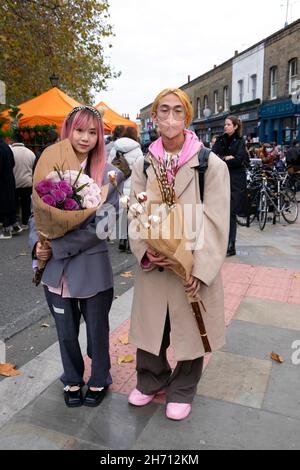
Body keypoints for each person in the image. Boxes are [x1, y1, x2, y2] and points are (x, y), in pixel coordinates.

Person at [128, 88, 230, 421]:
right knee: (151, 328)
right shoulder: (144, 164)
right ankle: (151, 379)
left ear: (186, 117)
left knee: (189, 328)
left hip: (191, 265)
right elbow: (134, 213)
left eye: (177, 112)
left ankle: (183, 387)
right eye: (163, 111)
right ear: (154, 118)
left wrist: (198, 271)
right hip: (156, 266)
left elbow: (216, 221)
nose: (170, 119)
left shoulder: (208, 164)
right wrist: (146, 251)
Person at [29, 106, 124, 408]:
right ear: (67, 131)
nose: (85, 137)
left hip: (92, 269)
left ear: (100, 136)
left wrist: (56, 247)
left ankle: (100, 378)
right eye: (79, 130)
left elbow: (105, 224)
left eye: (92, 132)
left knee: (97, 331)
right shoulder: (50, 166)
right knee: (65, 330)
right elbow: (37, 215)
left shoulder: (110, 174)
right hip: (56, 272)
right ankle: (71, 377)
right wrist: (37, 246)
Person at [212, 116, 248, 257]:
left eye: (228, 124)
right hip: (220, 178)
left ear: (235, 126)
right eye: (225, 124)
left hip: (236, 180)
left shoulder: (240, 141)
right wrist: (226, 158)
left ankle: (231, 244)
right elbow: (212, 157)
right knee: (221, 212)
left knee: (231, 212)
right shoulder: (220, 140)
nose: (225, 127)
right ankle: (221, 242)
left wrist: (226, 159)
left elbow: (239, 160)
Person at [109, 126, 143, 252]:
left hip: (119, 185)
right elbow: (139, 169)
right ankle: (130, 242)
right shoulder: (137, 150)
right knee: (132, 214)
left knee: (123, 214)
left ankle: (122, 239)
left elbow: (109, 166)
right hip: (133, 185)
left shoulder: (115, 148)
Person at [11, 131, 36, 229]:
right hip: (27, 183)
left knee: (14, 203)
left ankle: (16, 222)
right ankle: (26, 223)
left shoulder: (10, 151)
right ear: (22, 141)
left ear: (13, 140)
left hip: (14, 183)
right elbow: (33, 168)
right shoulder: (30, 153)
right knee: (26, 204)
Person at [0, 138, 22, 239]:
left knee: (3, 203)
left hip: (2, 180)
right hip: (9, 177)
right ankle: (14, 225)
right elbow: (13, 163)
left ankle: (6, 231)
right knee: (10, 201)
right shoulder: (6, 147)